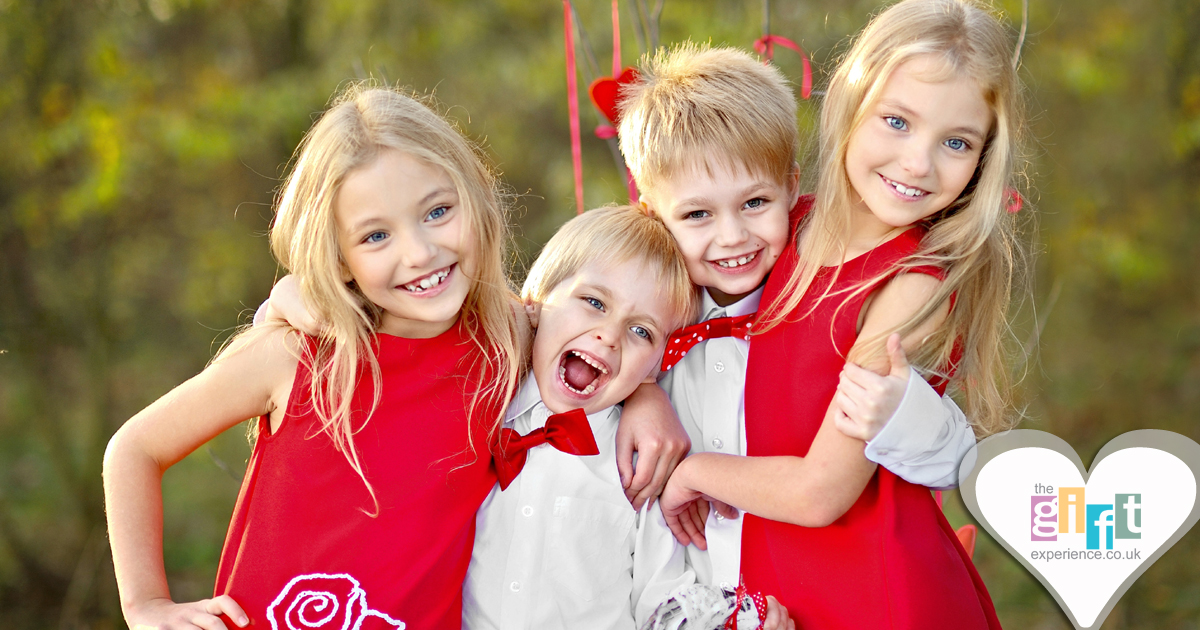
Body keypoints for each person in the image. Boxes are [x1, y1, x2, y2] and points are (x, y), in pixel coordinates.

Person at [103, 85, 528, 630]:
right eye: (375, 236)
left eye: (438, 211)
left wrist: (644, 405)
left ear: (477, 197)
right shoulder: (297, 354)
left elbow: (610, 346)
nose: (419, 253)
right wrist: (147, 604)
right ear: (338, 256)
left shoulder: (509, 340)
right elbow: (133, 449)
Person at [658, 0, 1025, 627]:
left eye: (956, 142)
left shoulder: (912, 286)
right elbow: (676, 334)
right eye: (897, 121)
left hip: (876, 597)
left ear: (984, 158)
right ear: (851, 103)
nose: (917, 163)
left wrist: (693, 470)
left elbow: (819, 492)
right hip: (773, 593)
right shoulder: (774, 223)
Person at [462, 205, 796, 629]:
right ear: (537, 301)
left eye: (642, 331)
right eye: (593, 302)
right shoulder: (476, 401)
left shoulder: (640, 465)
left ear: (656, 366)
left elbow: (662, 597)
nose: (610, 335)